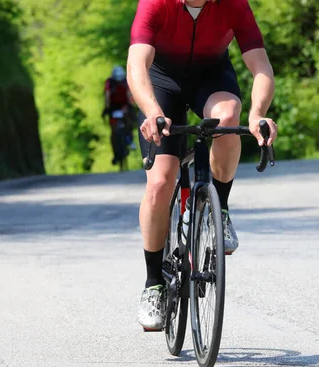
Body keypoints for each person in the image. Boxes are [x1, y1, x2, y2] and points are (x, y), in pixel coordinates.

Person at [127, 0, 278, 330]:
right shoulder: (156, 3)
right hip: (161, 83)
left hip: (211, 78)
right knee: (160, 182)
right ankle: (154, 283)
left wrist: (257, 115)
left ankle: (219, 210)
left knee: (229, 115)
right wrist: (152, 111)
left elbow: (261, 67)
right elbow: (137, 64)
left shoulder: (233, 4)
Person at [103, 65, 137, 164]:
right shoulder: (120, 81)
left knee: (118, 129)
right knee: (127, 125)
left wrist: (106, 108)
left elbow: (107, 96)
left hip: (118, 107)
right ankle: (128, 142)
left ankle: (126, 143)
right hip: (119, 107)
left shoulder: (110, 82)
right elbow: (128, 95)